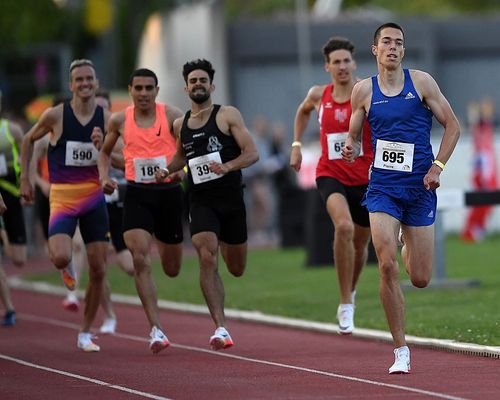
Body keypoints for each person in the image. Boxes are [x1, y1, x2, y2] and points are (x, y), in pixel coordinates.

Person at [342, 22, 460, 374]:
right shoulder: (362, 91)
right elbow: (354, 137)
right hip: (382, 189)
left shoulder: (421, 83)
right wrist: (351, 147)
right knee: (386, 262)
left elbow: (452, 126)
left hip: (420, 188)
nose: (393, 47)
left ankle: (408, 240)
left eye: (399, 43)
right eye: (386, 42)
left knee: (420, 276)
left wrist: (437, 166)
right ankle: (400, 349)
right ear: (375, 50)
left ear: (403, 51)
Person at [155, 58, 259, 350]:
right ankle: (220, 327)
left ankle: (228, 253)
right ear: (186, 88)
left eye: (203, 80)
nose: (198, 85)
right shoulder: (181, 124)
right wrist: (167, 169)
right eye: (193, 81)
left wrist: (228, 167)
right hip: (200, 200)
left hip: (231, 199)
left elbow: (252, 153)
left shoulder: (227, 116)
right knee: (206, 256)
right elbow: (180, 157)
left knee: (236, 267)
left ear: (211, 85)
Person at [20, 59, 111, 352]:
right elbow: (27, 141)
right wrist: (26, 179)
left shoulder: (107, 117)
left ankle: (85, 332)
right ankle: (67, 265)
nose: (85, 84)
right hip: (62, 197)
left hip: (94, 198)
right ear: (71, 85)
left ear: (96, 83)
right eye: (79, 80)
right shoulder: (55, 115)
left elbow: (118, 153)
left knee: (98, 269)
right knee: (59, 257)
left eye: (89, 79)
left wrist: (103, 149)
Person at [290, 36, 373, 335]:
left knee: (361, 243)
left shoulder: (368, 92)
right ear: (327, 67)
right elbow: (302, 112)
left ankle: (350, 292)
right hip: (331, 174)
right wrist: (297, 145)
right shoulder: (318, 94)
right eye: (335, 62)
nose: (341, 66)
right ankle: (344, 302)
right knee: (344, 228)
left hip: (365, 178)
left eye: (346, 61)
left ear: (354, 64)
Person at [98, 68, 185, 354]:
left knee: (172, 268)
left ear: (157, 90)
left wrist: (179, 170)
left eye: (149, 88)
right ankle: (156, 329)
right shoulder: (120, 120)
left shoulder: (172, 115)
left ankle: (168, 254)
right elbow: (104, 152)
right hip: (136, 194)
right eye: (139, 88)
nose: (144, 93)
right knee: (140, 259)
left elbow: (186, 151)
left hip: (169, 195)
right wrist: (104, 178)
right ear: (131, 90)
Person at [0, 95, 28, 326]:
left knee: (19, 259)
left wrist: (26, 181)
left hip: (11, 192)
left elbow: (27, 152)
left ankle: (6, 239)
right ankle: (9, 308)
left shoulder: (11, 130)